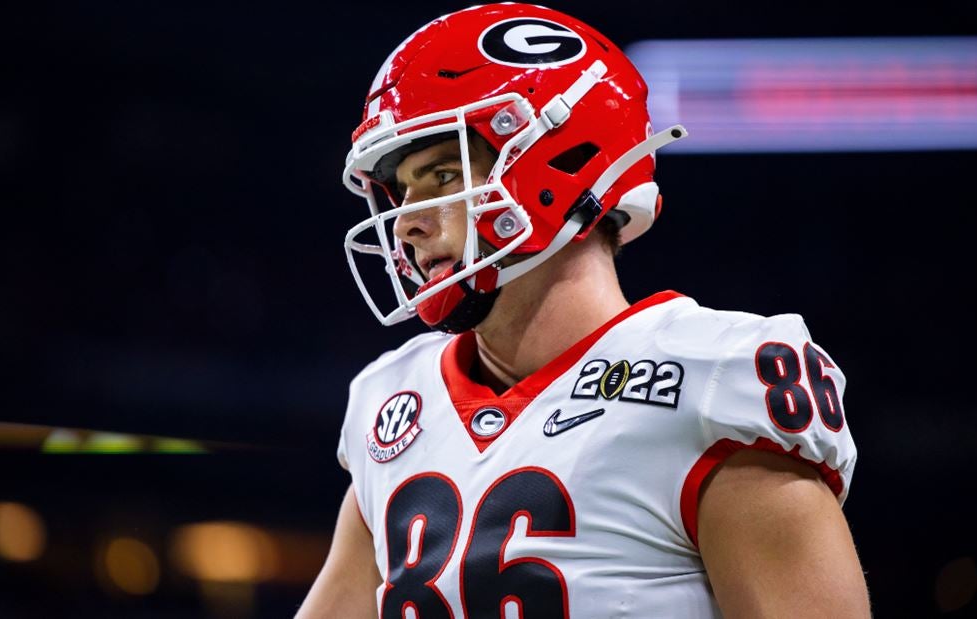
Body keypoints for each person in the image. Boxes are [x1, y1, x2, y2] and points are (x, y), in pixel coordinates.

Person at [299, 3, 870, 617]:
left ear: (561, 162)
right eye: (403, 190)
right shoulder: (391, 401)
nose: (407, 220)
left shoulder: (710, 379)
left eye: (442, 175)